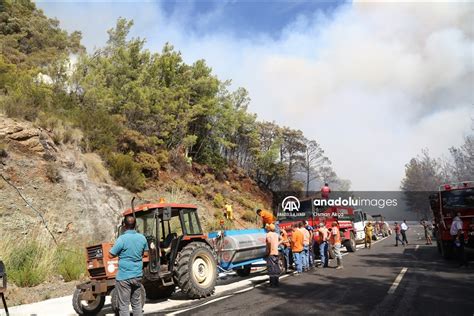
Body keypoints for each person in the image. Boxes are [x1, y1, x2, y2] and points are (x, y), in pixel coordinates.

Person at [109, 216, 149, 316]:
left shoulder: (121, 239)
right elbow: (146, 254)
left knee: (123, 306)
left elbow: (110, 255)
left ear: (124, 226)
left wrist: (121, 254)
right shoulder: (142, 238)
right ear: (135, 225)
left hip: (124, 277)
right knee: (136, 304)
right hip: (137, 276)